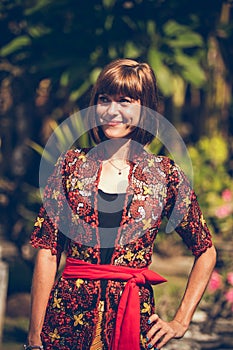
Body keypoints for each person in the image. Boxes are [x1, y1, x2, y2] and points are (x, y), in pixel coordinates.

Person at [25, 58, 216, 350]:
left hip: (133, 322)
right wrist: (34, 336)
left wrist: (180, 321)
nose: (112, 111)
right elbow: (48, 252)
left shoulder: (165, 176)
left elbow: (205, 251)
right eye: (104, 100)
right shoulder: (70, 167)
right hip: (65, 324)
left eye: (125, 101)